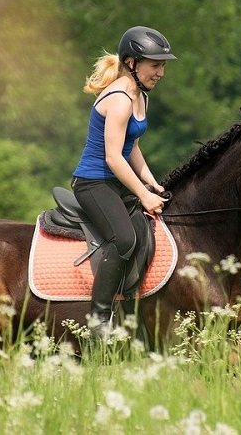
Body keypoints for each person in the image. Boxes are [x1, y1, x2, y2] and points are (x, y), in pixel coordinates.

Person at [72, 26, 177, 339]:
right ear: (132, 62)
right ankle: (98, 320)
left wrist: (152, 182)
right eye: (155, 65)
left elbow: (132, 147)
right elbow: (114, 158)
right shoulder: (119, 98)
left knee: (146, 233)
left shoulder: (139, 94)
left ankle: (131, 313)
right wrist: (143, 195)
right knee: (124, 239)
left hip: (116, 182)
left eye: (163, 66)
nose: (161, 72)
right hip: (93, 183)